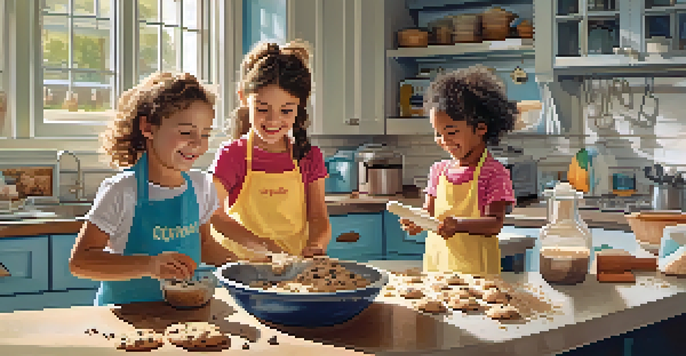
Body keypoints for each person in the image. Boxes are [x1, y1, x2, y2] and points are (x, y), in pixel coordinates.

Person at [69, 72, 237, 306]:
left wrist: (248, 268)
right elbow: (80, 262)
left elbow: (205, 245)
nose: (198, 143)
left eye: (205, 134)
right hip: (125, 319)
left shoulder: (201, 186)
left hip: (186, 316)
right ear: (148, 127)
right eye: (186, 132)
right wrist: (149, 265)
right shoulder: (122, 191)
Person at [209, 40, 331, 260]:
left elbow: (318, 218)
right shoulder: (232, 155)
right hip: (241, 269)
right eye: (262, 109)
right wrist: (264, 247)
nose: (274, 120)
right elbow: (214, 215)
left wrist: (316, 245)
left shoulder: (310, 157)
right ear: (244, 99)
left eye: (286, 110)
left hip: (292, 270)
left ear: (300, 106)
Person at [400, 65, 517, 275]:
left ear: (481, 128)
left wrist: (459, 225)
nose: (443, 141)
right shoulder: (438, 171)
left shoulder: (493, 173)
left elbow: (495, 223)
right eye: (437, 133)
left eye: (451, 132)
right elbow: (429, 213)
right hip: (437, 271)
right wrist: (417, 221)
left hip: (479, 275)